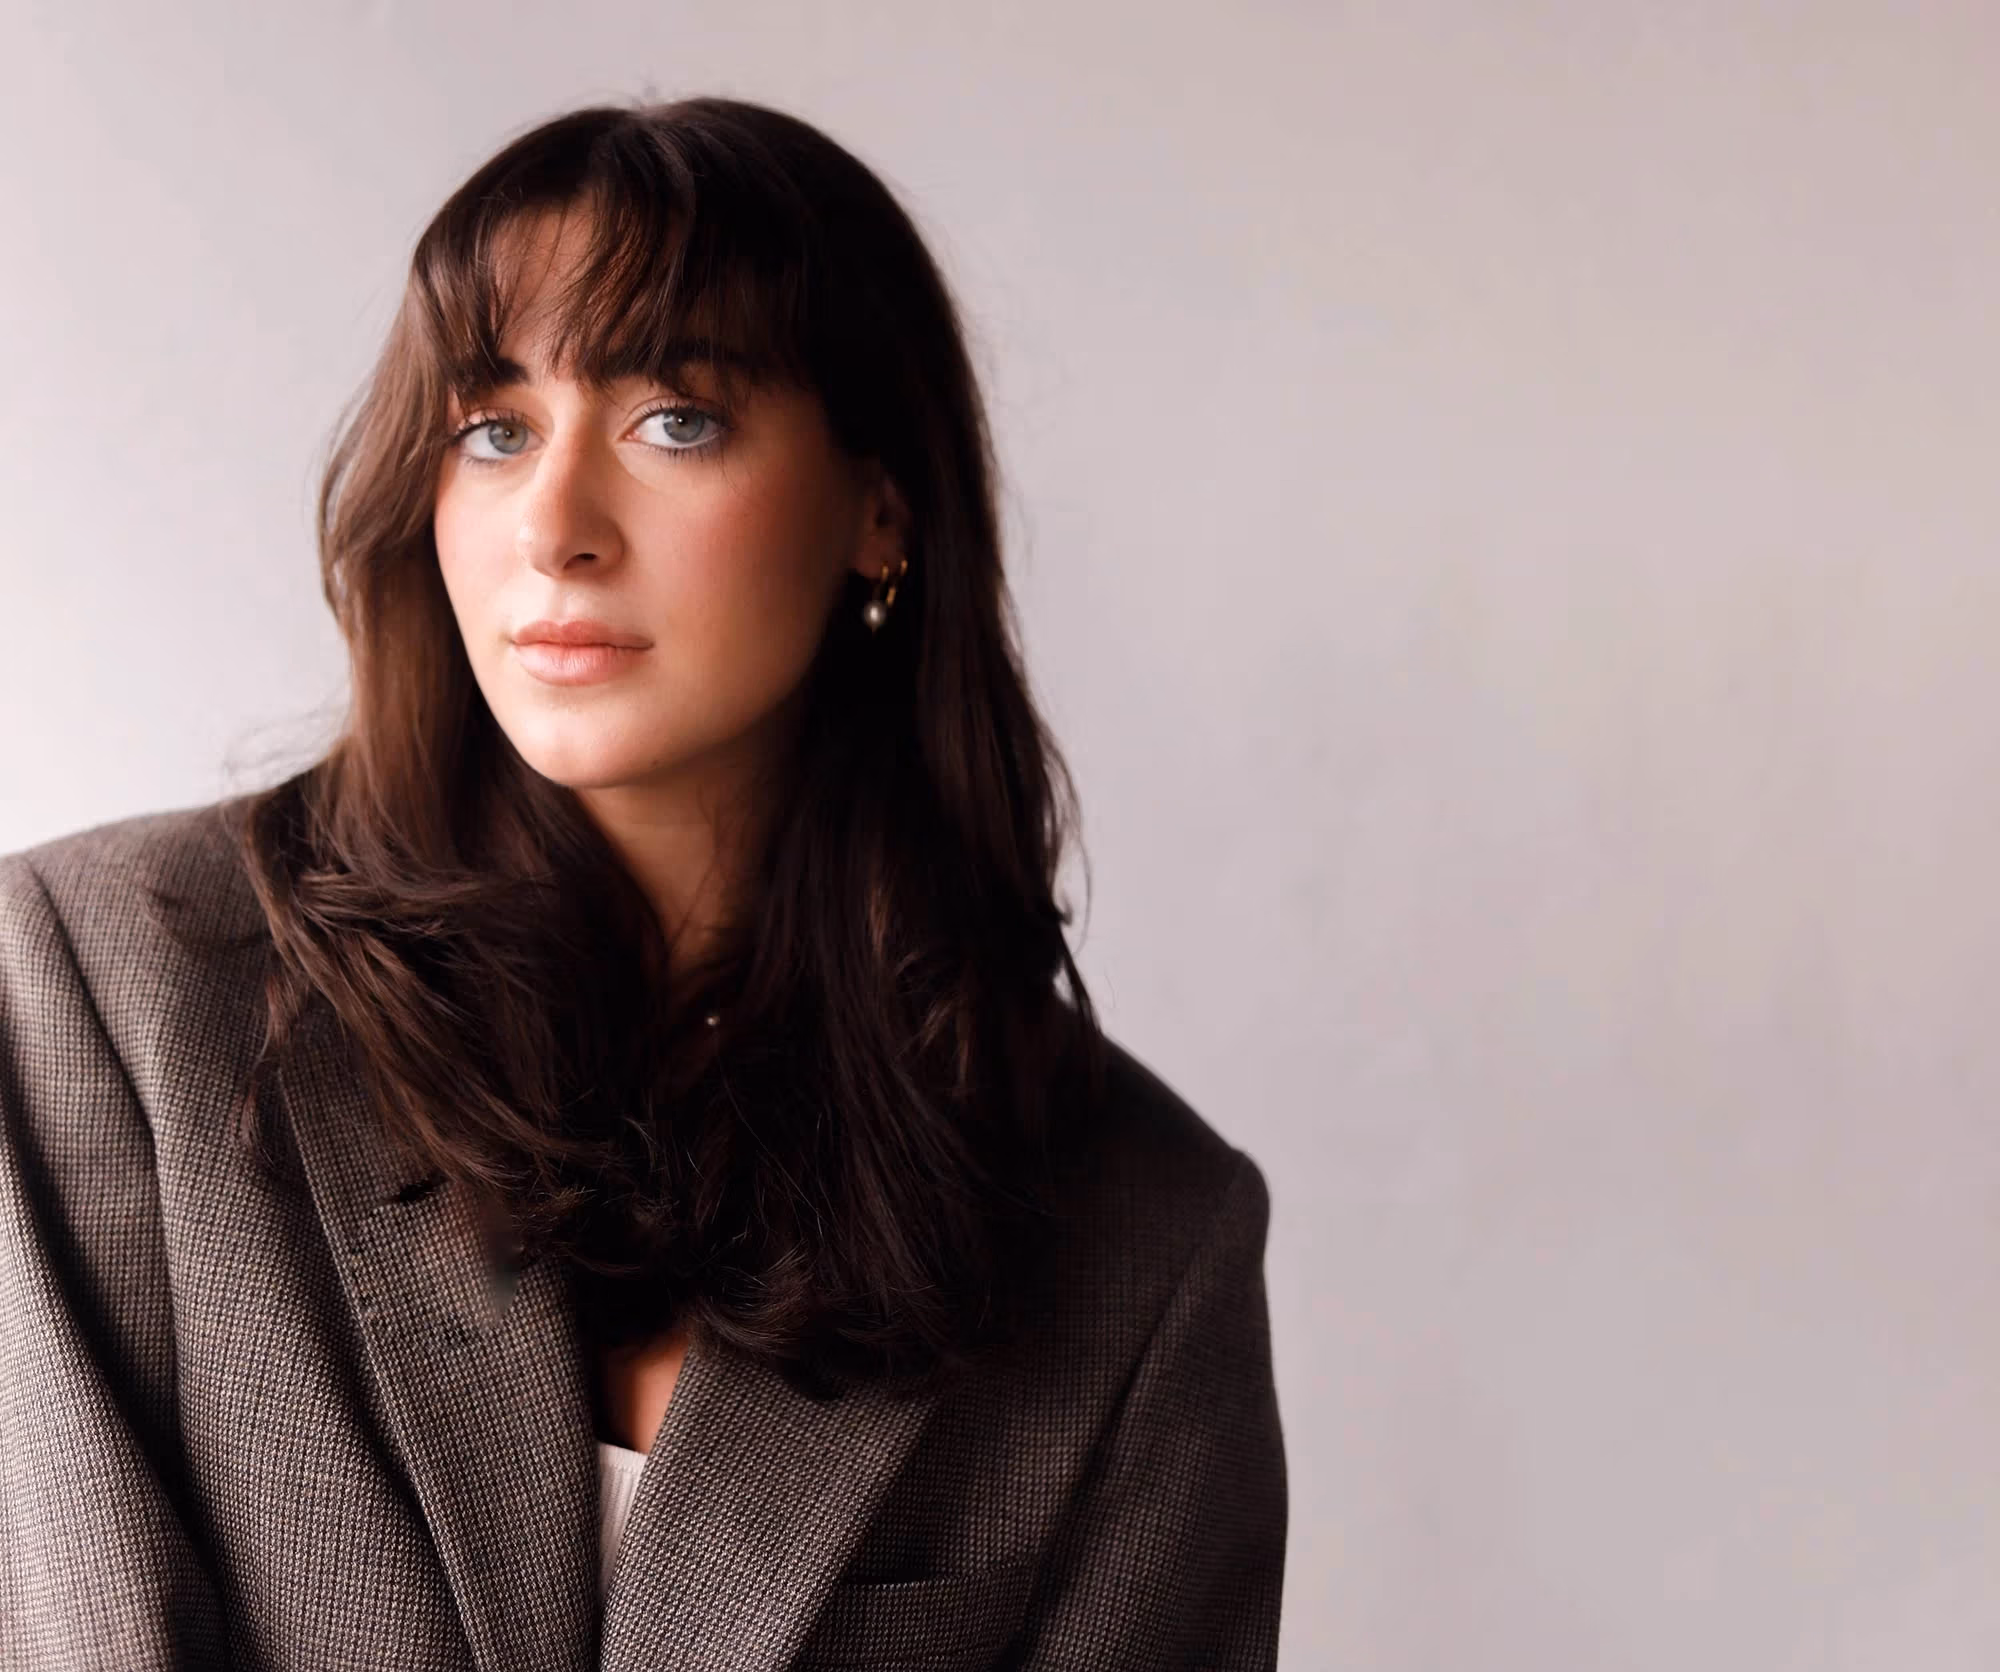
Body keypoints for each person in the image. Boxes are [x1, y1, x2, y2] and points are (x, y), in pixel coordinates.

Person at [0, 95, 1287, 1670]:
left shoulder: (1139, 1235)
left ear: (880, 509)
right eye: (492, 429)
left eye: (677, 419)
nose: (554, 528)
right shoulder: (95, 996)